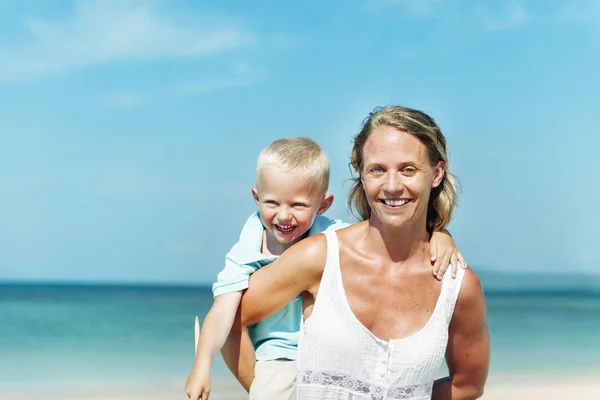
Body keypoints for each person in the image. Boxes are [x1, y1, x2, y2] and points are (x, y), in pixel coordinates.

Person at [237, 106, 490, 399]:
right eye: (377, 170)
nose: (392, 186)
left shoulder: (458, 285)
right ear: (361, 175)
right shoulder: (319, 257)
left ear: (436, 174)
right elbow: (230, 320)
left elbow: (467, 385)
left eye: (408, 169)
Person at [185, 137, 467, 400]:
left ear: (323, 205)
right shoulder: (249, 247)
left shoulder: (332, 236)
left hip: (333, 356)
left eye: (298, 204)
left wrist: (441, 235)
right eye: (272, 203)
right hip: (281, 357)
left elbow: (379, 239)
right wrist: (202, 365)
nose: (284, 215)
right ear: (256, 198)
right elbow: (224, 311)